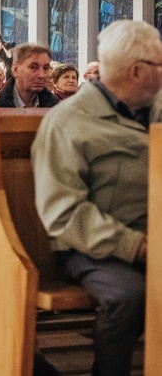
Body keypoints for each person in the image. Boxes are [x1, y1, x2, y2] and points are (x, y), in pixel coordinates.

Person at [32, 20, 162, 376]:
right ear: (136, 71)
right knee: (128, 295)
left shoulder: (156, 109)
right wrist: (139, 246)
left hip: (156, 235)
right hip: (91, 248)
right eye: (160, 65)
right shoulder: (68, 122)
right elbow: (63, 212)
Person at [0, 43, 59, 108]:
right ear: (16, 70)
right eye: (34, 67)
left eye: (45, 68)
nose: (42, 75)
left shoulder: (56, 108)